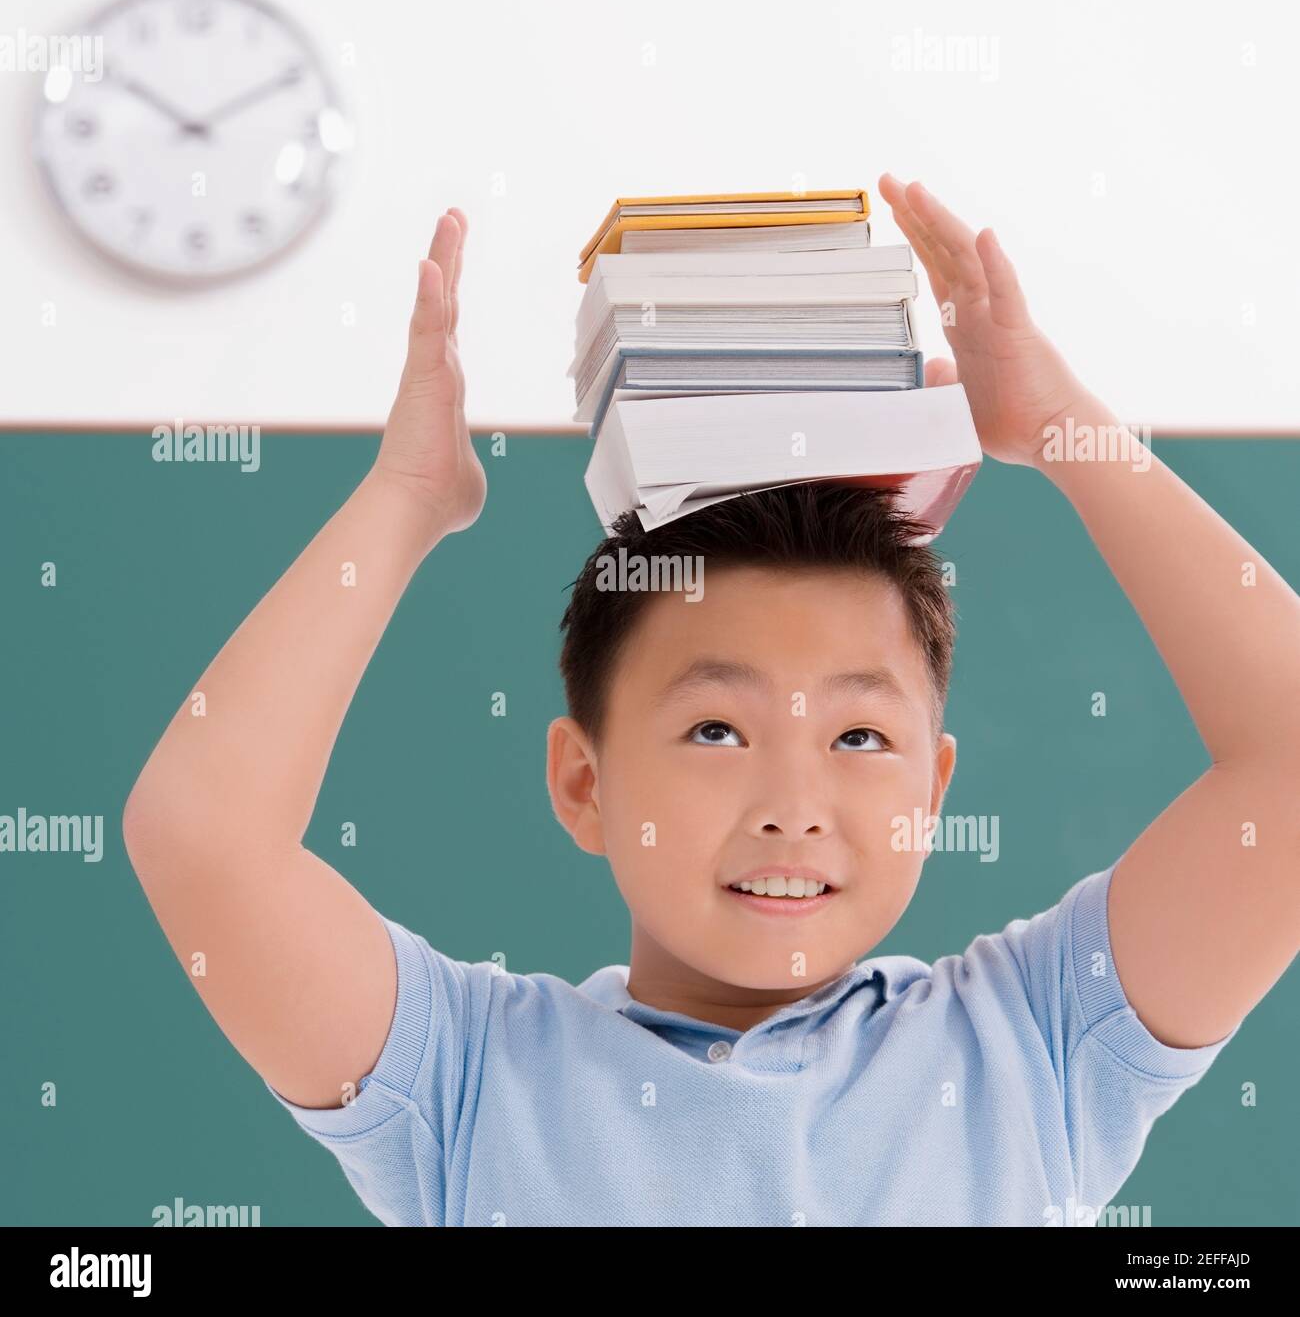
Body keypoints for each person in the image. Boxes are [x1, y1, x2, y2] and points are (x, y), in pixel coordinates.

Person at [122, 178, 1299, 1225]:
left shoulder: (1034, 1050)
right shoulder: (468, 1081)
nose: (794, 804)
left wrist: (1060, 427)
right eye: (716, 729)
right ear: (584, 782)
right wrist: (408, 496)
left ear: (933, 788)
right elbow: (202, 838)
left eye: (858, 734)